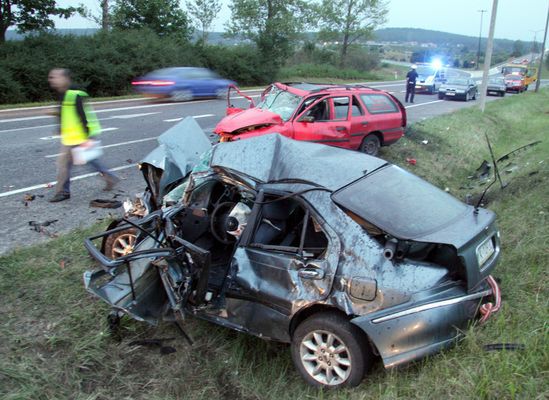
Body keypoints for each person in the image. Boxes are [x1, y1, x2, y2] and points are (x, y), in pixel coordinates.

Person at [48, 68, 118, 202]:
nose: (51, 80)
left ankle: (63, 192)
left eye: (54, 77)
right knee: (89, 162)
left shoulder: (74, 94)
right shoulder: (63, 94)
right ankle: (110, 177)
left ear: (65, 78)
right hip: (72, 137)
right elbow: (65, 114)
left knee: (64, 166)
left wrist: (87, 137)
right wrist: (59, 127)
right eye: (51, 77)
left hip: (79, 137)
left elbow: (83, 116)